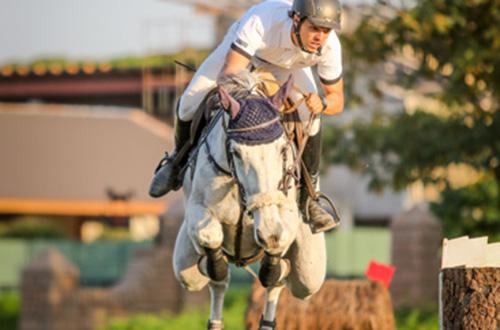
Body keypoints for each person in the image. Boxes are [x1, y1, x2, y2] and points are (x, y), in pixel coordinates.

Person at [149, 0, 344, 233]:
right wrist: (254, 95)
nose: (319, 36)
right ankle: (176, 162)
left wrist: (321, 103)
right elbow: (231, 73)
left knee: (311, 121)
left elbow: (337, 100)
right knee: (189, 102)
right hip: (242, 58)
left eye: (326, 30)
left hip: (287, 67)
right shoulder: (263, 21)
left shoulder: (330, 46)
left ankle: (310, 197)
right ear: (296, 20)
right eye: (314, 28)